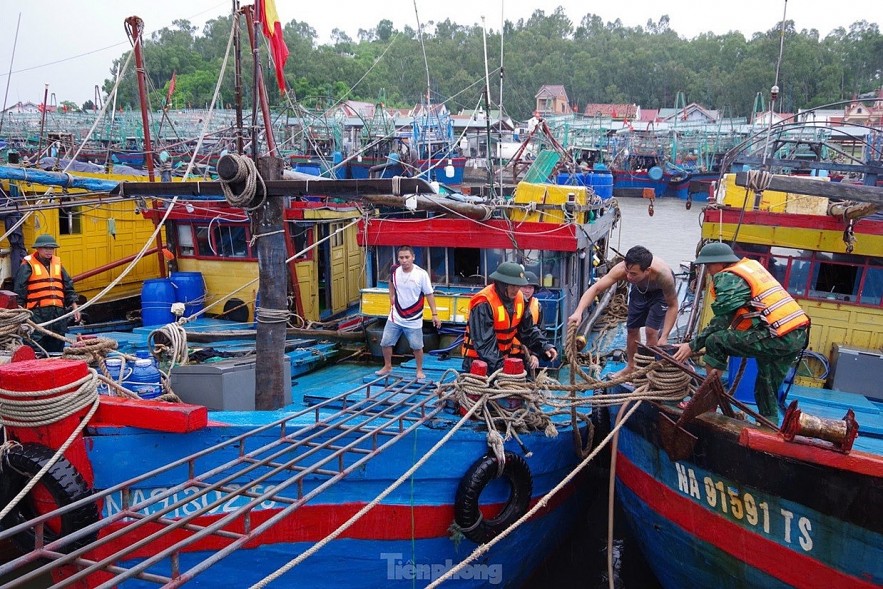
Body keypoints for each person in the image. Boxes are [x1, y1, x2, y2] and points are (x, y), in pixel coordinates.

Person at [672, 242, 809, 420]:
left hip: (776, 336)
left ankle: (707, 403)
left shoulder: (727, 277)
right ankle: (769, 425)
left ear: (720, 263)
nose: (707, 271)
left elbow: (721, 322)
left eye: (708, 266)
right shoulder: (750, 267)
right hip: (796, 335)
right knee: (766, 383)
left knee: (716, 341)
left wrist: (692, 345)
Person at [568, 245, 678, 378]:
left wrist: (665, 336)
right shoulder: (622, 271)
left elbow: (673, 305)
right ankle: (631, 367)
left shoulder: (663, 276)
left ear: (647, 271)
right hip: (640, 288)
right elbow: (596, 289)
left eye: (633, 274)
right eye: (627, 271)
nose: (628, 276)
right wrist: (578, 312)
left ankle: (650, 370)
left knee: (651, 331)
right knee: (632, 329)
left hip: (659, 293)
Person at [462, 262, 558, 374]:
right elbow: (485, 344)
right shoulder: (484, 304)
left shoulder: (520, 299)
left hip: (501, 361)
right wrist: (503, 369)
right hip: (478, 364)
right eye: (512, 285)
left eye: (518, 285)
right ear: (501, 284)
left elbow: (527, 330)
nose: (516, 289)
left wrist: (544, 346)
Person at [376, 245, 441, 381]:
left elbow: (429, 294)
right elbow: (391, 282)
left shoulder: (421, 274)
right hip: (396, 315)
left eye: (407, 257)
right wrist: (391, 297)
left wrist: (435, 314)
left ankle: (419, 370)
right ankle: (387, 366)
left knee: (417, 346)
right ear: (398, 258)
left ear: (413, 257)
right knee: (385, 342)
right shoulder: (394, 270)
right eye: (401, 258)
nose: (404, 260)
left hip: (414, 317)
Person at [13, 234, 81, 354]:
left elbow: (68, 286)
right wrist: (19, 313)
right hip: (37, 312)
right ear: (38, 249)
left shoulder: (58, 264)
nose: (49, 251)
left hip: (57, 313)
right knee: (35, 343)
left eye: (51, 248)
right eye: (46, 248)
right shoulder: (28, 265)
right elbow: (20, 290)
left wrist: (75, 307)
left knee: (57, 342)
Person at [516, 271, 545, 369]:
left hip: (527, 355)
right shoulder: (511, 304)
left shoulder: (538, 306)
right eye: (524, 287)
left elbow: (541, 331)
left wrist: (536, 355)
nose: (527, 291)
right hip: (509, 353)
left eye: (530, 288)